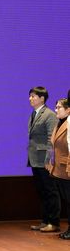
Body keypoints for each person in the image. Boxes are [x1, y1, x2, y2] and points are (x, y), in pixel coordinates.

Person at [27, 86, 60, 232]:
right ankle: (45, 221)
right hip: (35, 159)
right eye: (30, 96)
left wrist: (48, 160)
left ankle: (54, 222)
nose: (30, 98)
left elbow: (51, 139)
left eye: (33, 96)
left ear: (42, 98)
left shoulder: (49, 114)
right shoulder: (34, 114)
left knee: (50, 191)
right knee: (42, 191)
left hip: (44, 160)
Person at [45, 98, 70, 239]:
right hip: (59, 169)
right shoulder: (59, 123)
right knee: (67, 200)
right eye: (56, 107)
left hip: (67, 168)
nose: (56, 110)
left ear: (68, 109)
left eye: (59, 107)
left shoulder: (69, 124)